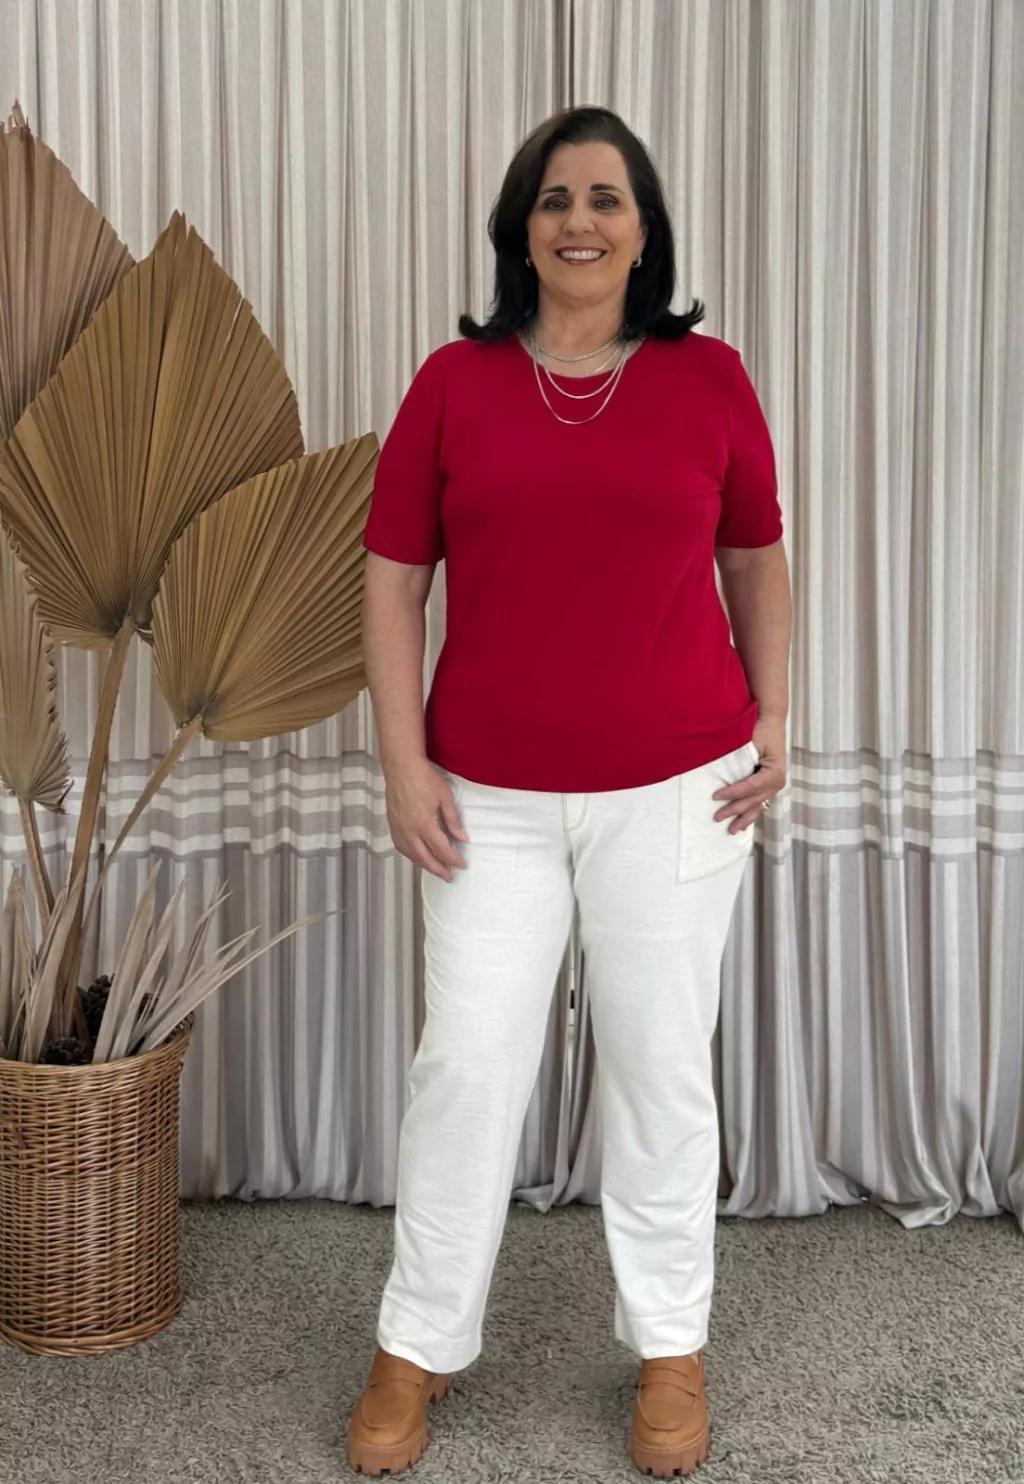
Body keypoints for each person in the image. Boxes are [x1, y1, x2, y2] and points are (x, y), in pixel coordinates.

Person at [349, 105, 791, 1479]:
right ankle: (417, 1342)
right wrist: (403, 757)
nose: (580, 221)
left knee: (660, 1070)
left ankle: (670, 1347)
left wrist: (778, 715)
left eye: (606, 198)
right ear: (520, 229)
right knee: (466, 1068)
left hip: (679, 789)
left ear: (644, 231)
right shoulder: (455, 382)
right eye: (554, 199)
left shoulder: (709, 379)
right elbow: (392, 580)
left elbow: (754, 557)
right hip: (485, 796)